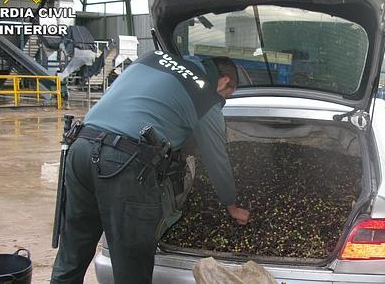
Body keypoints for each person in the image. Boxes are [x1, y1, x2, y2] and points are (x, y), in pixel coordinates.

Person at [51, 50, 250, 284]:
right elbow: (217, 158)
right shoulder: (206, 94)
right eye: (227, 95)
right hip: (123, 164)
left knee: (73, 250)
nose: (223, 101)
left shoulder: (152, 58)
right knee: (131, 265)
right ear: (225, 80)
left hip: (81, 147)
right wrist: (231, 204)